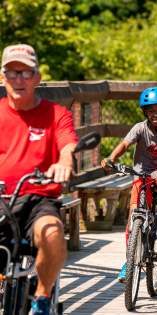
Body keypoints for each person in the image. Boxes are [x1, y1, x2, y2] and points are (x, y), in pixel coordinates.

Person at [0, 44, 78, 314]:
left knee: (53, 233)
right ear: (2, 77)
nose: (18, 79)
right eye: (12, 73)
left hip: (38, 199)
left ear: (37, 77)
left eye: (25, 73)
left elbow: (67, 144)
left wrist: (64, 163)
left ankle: (42, 299)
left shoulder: (56, 114)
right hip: (1, 198)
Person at [101, 86, 157, 282]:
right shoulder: (139, 128)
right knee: (133, 218)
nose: (155, 114)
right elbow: (125, 144)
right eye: (151, 111)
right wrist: (111, 158)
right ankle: (129, 261)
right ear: (145, 112)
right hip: (141, 172)